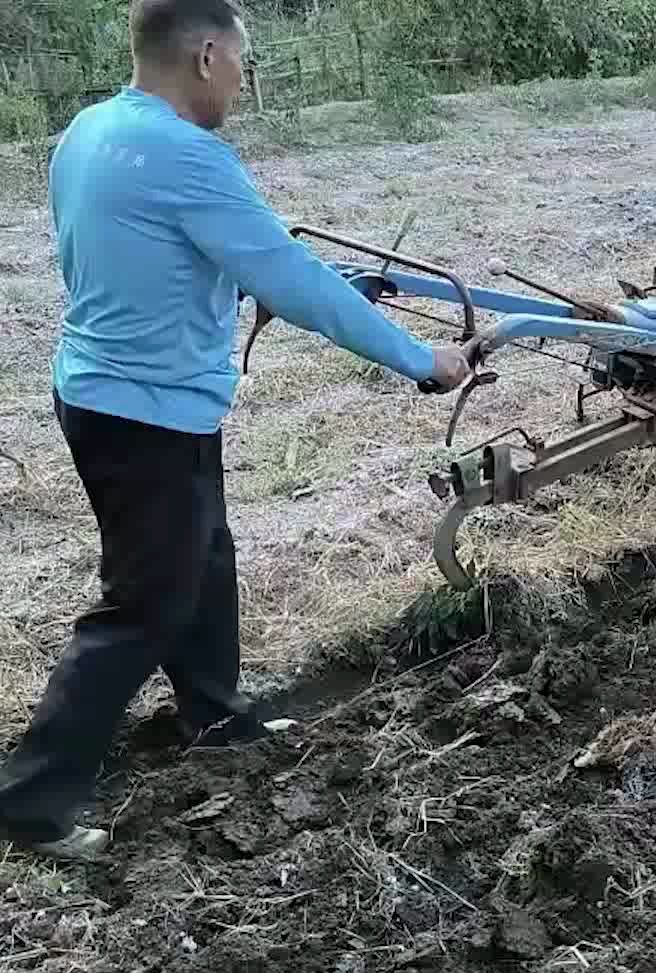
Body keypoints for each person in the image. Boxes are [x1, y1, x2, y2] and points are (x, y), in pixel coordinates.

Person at [0, 0, 476, 862]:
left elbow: (131, 253)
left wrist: (234, 287)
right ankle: (32, 803)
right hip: (143, 409)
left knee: (202, 557)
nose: (245, 86)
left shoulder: (90, 130)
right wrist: (419, 358)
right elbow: (290, 276)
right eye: (244, 67)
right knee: (142, 603)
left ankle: (212, 716)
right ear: (208, 55)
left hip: (105, 394)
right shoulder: (189, 156)